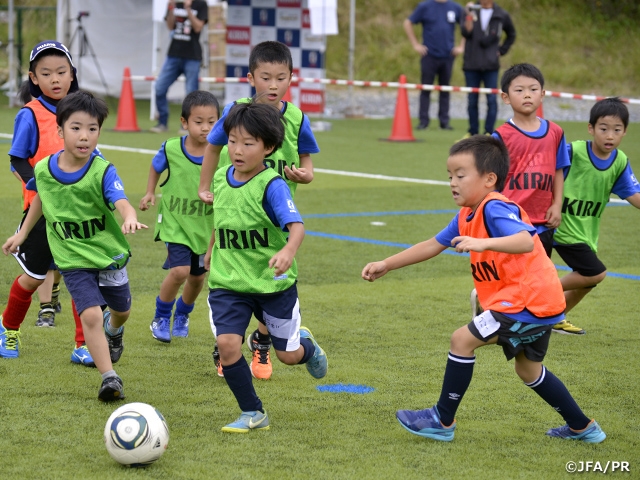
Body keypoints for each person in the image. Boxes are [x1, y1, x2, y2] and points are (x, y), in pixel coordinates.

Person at [361, 136, 606, 444]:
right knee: (529, 370)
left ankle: (442, 419)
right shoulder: (467, 213)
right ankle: (583, 427)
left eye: (460, 175)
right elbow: (433, 245)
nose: (452, 182)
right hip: (538, 304)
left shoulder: (495, 208)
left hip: (524, 304)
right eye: (449, 176)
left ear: (489, 179)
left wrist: (483, 242)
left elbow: (525, 240)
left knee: (461, 340)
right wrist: (387, 263)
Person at [3, 90, 147, 401]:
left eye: (92, 129)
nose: (85, 136)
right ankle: (109, 377)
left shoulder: (102, 170)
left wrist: (130, 215)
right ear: (60, 130)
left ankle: (115, 329)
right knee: (91, 315)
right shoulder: (43, 169)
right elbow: (41, 198)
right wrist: (23, 234)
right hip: (72, 257)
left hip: (107, 255)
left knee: (121, 311)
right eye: (76, 128)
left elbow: (120, 200)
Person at [198, 40, 320, 380]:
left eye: (280, 78)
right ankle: (227, 349)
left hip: (275, 218)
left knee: (267, 283)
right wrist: (203, 186)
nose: (273, 85)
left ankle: (265, 343)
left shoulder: (295, 118)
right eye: (265, 77)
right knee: (233, 284)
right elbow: (212, 146)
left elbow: (308, 167)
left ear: (291, 79)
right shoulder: (236, 112)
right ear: (252, 78)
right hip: (235, 203)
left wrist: (302, 176)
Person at [208, 100, 327, 433]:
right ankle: (252, 412)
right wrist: (210, 248)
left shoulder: (272, 185)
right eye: (232, 141)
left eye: (248, 143)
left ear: (269, 147)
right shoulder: (220, 178)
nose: (237, 150)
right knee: (229, 345)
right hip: (228, 281)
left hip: (273, 285)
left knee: (288, 356)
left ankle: (307, 347)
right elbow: (222, 219)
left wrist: (288, 250)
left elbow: (297, 226)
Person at [1, 40, 92, 365]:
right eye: (46, 73)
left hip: (79, 213)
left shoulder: (83, 110)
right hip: (41, 211)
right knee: (34, 278)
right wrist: (42, 186)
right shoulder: (30, 114)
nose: (55, 78)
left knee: (82, 277)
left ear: (72, 74)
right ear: (33, 78)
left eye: (61, 71)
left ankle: (85, 345)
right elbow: (17, 159)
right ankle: (8, 328)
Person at [485, 63, 575, 335]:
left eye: (533, 89)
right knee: (510, 277)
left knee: (537, 276)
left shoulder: (555, 132)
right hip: (512, 222)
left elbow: (559, 170)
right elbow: (490, 179)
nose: (527, 95)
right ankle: (490, 312)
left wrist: (557, 204)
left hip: (542, 220)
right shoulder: (500, 136)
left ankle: (538, 321)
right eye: (519, 90)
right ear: (505, 97)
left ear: (543, 94)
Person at [553, 98, 640, 331]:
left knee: (586, 281)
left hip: (585, 232)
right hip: (557, 226)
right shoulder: (573, 151)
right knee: (596, 273)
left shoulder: (620, 162)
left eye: (616, 130)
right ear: (591, 128)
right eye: (603, 129)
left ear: (625, 132)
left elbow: (635, 197)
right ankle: (540, 294)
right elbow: (546, 173)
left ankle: (554, 316)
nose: (609, 135)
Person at [140, 90, 219, 342]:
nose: (205, 128)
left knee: (197, 278)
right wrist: (150, 192)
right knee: (180, 272)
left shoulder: (223, 153)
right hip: (175, 223)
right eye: (199, 122)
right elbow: (155, 166)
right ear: (184, 122)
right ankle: (161, 316)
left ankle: (182, 314)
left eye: (212, 122)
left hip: (204, 226)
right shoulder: (172, 148)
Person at [403, 0, 464, 131]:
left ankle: (444, 121)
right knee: (425, 88)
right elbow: (408, 22)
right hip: (429, 55)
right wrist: (416, 45)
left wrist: (461, 46)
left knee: (445, 89)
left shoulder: (455, 7)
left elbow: (467, 27)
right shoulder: (425, 6)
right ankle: (423, 120)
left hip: (448, 55)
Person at [150, 0, 208, 133]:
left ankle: (187, 125)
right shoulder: (175, 3)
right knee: (159, 87)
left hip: (192, 56)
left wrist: (188, 9)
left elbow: (198, 27)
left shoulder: (200, 4)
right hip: (173, 54)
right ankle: (162, 122)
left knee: (191, 93)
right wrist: (171, 8)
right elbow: (170, 26)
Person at [460, 0, 516, 137]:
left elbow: (511, 34)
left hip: (491, 65)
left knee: (491, 99)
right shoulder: (472, 10)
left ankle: (489, 132)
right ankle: (472, 132)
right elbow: (465, 32)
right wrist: (468, 14)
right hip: (471, 64)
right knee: (472, 99)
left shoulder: (501, 14)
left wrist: (502, 50)